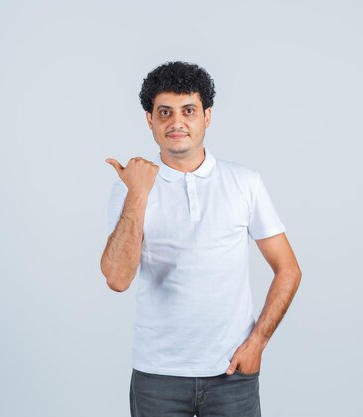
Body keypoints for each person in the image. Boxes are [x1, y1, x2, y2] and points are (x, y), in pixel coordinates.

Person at [100, 61, 302, 417]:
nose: (176, 122)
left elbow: (288, 269)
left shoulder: (244, 182)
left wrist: (258, 342)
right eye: (165, 112)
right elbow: (117, 279)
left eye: (188, 111)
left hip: (232, 374)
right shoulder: (130, 188)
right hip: (157, 376)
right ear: (150, 120)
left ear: (207, 116)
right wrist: (139, 194)